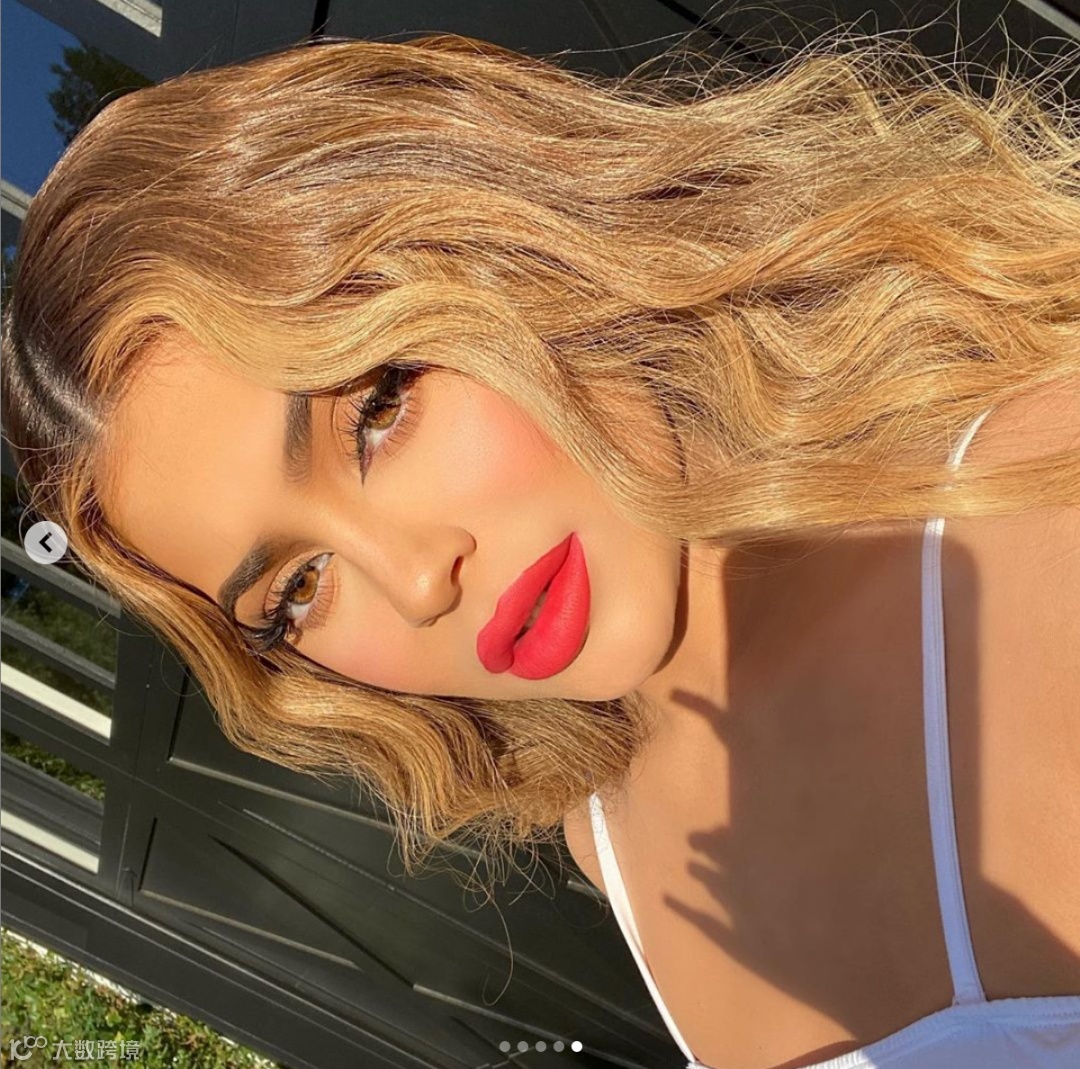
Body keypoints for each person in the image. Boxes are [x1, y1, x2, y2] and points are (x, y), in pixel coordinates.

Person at [2, 25, 1079, 1069]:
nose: (415, 582)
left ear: (504, 230)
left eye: (377, 407)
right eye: (298, 588)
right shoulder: (612, 845)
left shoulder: (1043, 495)